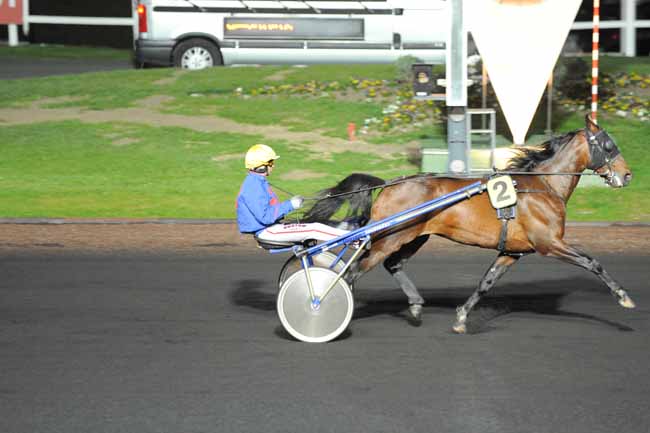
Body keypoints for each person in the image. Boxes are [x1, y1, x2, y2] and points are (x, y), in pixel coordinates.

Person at [236, 144, 349, 244]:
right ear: (261, 166)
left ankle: (347, 234)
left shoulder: (257, 182)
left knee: (314, 224)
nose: (273, 166)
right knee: (314, 229)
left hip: (270, 228)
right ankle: (353, 240)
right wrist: (291, 204)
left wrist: (291, 204)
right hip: (266, 231)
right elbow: (266, 218)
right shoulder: (253, 186)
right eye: (271, 162)